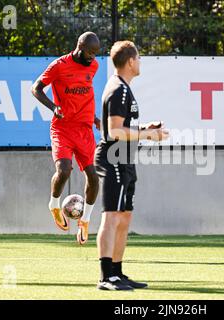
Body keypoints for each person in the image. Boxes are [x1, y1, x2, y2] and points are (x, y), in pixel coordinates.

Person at [94, 40, 169, 290]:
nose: (140, 62)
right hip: (114, 157)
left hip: (125, 158)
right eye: (138, 58)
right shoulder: (119, 89)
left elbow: (117, 125)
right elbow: (114, 131)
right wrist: (148, 135)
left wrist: (145, 128)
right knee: (112, 216)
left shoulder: (123, 87)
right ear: (130, 62)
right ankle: (106, 277)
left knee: (124, 216)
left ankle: (117, 272)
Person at [31, 31, 101, 245]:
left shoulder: (94, 66)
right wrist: (53, 107)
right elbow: (36, 89)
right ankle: (54, 204)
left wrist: (95, 118)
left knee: (93, 176)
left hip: (85, 129)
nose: (92, 57)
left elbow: (84, 95)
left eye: (95, 53)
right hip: (63, 127)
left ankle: (85, 220)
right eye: (89, 53)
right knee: (64, 171)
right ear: (79, 46)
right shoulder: (59, 66)